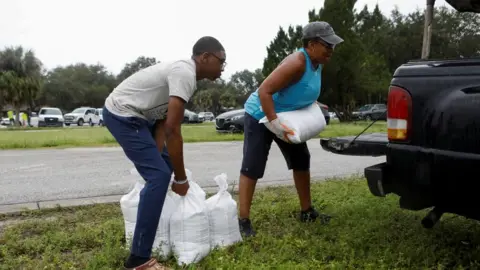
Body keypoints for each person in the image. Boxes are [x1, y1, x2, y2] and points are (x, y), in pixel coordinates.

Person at [102, 36, 226, 270]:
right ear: (205, 57)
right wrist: (180, 179)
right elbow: (172, 130)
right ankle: (138, 260)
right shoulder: (184, 72)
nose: (222, 67)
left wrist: (161, 161)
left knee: (162, 167)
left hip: (139, 117)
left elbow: (161, 124)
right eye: (221, 61)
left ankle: (154, 229)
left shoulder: (187, 76)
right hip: (122, 114)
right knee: (159, 176)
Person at [238, 21, 344, 237]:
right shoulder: (297, 62)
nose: (331, 50)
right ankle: (243, 220)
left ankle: (307, 211)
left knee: (301, 160)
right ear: (311, 45)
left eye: (332, 45)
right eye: (327, 45)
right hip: (260, 115)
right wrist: (274, 124)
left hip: (287, 117)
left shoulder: (318, 63)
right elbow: (264, 91)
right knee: (253, 166)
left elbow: (300, 91)